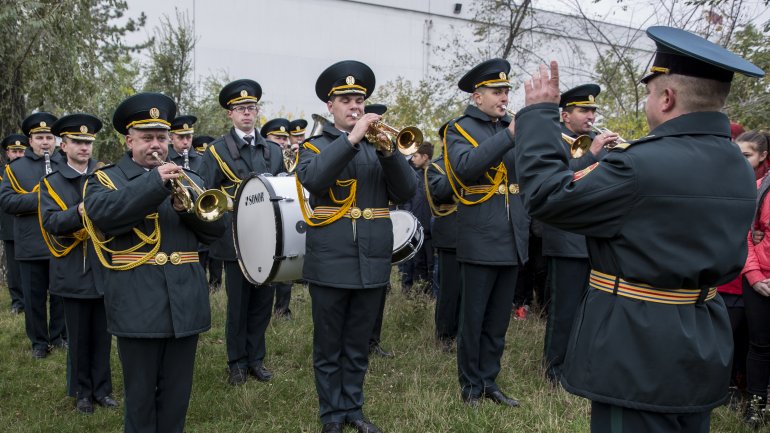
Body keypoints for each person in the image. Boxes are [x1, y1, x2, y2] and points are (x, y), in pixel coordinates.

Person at [514, 26, 763, 432]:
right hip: (703, 340)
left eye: (650, 92)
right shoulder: (738, 164)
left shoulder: (639, 163)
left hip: (636, 347)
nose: (649, 101)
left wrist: (538, 115)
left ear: (667, 98)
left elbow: (545, 198)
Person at [82, 92, 226, 433]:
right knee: (141, 400)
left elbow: (216, 230)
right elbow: (105, 216)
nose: (156, 145)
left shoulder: (191, 179)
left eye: (161, 137)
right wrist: (155, 183)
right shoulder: (105, 179)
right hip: (137, 305)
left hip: (185, 304)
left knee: (177, 400)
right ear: (129, 140)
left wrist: (188, 211)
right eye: (147, 138)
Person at [296, 60, 416, 433]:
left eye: (360, 99)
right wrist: (350, 140)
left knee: (358, 342)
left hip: (373, 257)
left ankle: (354, 409)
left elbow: (407, 191)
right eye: (346, 100)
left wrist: (389, 152)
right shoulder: (314, 146)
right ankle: (332, 414)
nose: (355, 106)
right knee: (329, 344)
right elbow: (315, 180)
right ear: (330, 107)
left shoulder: (381, 147)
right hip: (332, 258)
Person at [443, 58, 529, 407]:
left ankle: (489, 381)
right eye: (497, 91)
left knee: (497, 321)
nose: (504, 97)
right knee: (474, 318)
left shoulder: (511, 125)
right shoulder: (458, 128)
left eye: (507, 90)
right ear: (477, 96)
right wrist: (508, 136)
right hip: (480, 237)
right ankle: (470, 386)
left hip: (512, 237)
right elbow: (463, 169)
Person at [199, 79, 284, 386]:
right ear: (229, 114)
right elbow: (205, 193)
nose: (247, 114)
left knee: (262, 302)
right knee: (238, 305)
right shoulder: (216, 151)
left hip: (268, 237)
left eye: (251, 108)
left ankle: (256, 359)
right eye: (240, 109)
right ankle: (236, 361)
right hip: (234, 238)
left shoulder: (272, 150)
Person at [40, 113, 116, 414]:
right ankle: (82, 391)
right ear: (63, 145)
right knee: (79, 335)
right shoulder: (52, 182)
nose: (84, 147)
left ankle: (103, 389)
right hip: (72, 268)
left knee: (103, 333)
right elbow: (50, 222)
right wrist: (82, 210)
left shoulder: (104, 176)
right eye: (77, 142)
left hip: (103, 265)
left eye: (88, 142)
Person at [541, 84, 616, 385]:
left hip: (594, 235)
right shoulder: (554, 141)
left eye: (593, 110)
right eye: (584, 110)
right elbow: (557, 181)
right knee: (565, 310)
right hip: (565, 237)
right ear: (565, 114)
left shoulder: (589, 141)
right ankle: (555, 369)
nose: (591, 115)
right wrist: (594, 154)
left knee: (590, 307)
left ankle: (580, 363)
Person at [0, 112, 67, 359]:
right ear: (31, 141)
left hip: (60, 241)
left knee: (61, 294)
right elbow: (7, 201)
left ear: (56, 140)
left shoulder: (64, 164)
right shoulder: (16, 168)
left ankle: (59, 336)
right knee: (33, 297)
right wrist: (41, 199)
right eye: (40, 137)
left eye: (49, 137)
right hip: (30, 243)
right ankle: (39, 342)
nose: (45, 142)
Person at [719, 130, 770, 410]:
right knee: (737, 340)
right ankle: (735, 392)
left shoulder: (762, 186)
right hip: (735, 277)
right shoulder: (728, 182)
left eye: (747, 156)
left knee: (751, 342)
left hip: (751, 276)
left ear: (763, 156)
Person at [737, 130, 770, 426]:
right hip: (758, 282)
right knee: (759, 346)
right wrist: (754, 274)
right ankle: (756, 408)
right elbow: (745, 236)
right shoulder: (759, 189)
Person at [426, 122, 460, 351]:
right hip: (451, 238)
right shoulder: (436, 168)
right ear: (442, 142)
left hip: (478, 236)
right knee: (450, 291)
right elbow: (440, 194)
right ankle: (445, 336)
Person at [260, 117, 295, 319]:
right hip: (265, 214)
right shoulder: (264, 154)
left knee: (285, 258)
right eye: (277, 137)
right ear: (267, 138)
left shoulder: (290, 156)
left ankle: (283, 309)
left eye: (284, 138)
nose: (282, 141)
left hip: (286, 213)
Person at [191, 134, 222, 291]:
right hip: (194, 210)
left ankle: (216, 283)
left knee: (215, 252)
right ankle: (201, 282)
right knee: (201, 254)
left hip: (212, 205)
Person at [0, 134, 27, 314]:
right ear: (7, 153)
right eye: (14, 151)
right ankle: (17, 301)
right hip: (9, 226)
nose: (18, 155)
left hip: (30, 227)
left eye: (21, 151)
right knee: (14, 267)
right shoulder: (2, 174)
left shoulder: (31, 170)